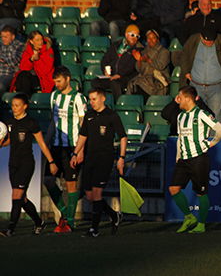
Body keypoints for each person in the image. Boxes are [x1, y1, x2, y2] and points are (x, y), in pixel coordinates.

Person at [169, 85, 221, 234]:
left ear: (187, 98)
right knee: (173, 189)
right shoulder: (180, 116)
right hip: (184, 159)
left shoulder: (201, 114)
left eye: (180, 97)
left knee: (201, 193)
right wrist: (178, 155)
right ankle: (189, 217)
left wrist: (209, 143)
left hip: (198, 158)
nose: (178, 101)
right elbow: (180, 138)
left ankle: (201, 224)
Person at [0, 93, 58, 237]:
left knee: (16, 195)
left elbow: (42, 144)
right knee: (22, 198)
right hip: (13, 163)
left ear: (25, 106)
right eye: (13, 105)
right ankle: (39, 222)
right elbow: (10, 141)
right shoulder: (9, 123)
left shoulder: (31, 123)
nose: (14, 108)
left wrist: (51, 161)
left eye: (17, 105)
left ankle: (10, 229)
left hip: (26, 163)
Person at [70, 89, 126, 237]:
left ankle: (94, 229)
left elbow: (123, 137)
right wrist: (76, 153)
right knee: (90, 195)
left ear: (103, 99)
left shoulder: (112, 116)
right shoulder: (89, 116)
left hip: (105, 159)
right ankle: (114, 215)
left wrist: (121, 157)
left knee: (96, 193)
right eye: (90, 99)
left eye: (94, 99)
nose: (91, 102)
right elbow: (83, 136)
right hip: (90, 158)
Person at [47, 66, 87, 233]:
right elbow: (52, 122)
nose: (56, 84)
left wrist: (80, 149)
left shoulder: (78, 98)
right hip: (55, 146)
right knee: (48, 181)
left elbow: (84, 125)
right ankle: (65, 214)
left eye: (59, 81)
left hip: (72, 146)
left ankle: (69, 223)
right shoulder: (54, 96)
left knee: (71, 184)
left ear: (68, 79)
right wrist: (47, 144)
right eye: (55, 81)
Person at [180, 27, 221, 122]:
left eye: (211, 41)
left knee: (215, 117)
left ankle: (214, 137)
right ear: (201, 37)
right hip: (196, 86)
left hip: (217, 86)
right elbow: (184, 55)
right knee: (196, 117)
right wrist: (186, 71)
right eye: (206, 41)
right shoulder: (193, 40)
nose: (209, 43)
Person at [91, 24, 143, 102]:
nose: (134, 38)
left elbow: (132, 66)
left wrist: (120, 75)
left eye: (137, 36)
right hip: (111, 76)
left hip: (125, 78)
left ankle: (118, 105)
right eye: (132, 35)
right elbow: (105, 59)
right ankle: (100, 104)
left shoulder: (138, 49)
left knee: (115, 84)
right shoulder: (115, 45)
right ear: (126, 34)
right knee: (95, 82)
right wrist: (105, 69)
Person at [127, 29, 170, 101]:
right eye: (149, 38)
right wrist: (139, 60)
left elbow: (160, 66)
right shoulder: (144, 51)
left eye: (153, 38)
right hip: (145, 78)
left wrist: (148, 60)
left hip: (158, 79)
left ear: (157, 39)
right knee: (133, 84)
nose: (151, 40)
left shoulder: (164, 52)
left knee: (140, 86)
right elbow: (139, 69)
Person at [10, 30, 54, 96]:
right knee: (22, 75)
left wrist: (37, 60)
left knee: (24, 78)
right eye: (37, 40)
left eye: (41, 39)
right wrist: (31, 60)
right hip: (29, 78)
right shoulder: (28, 50)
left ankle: (23, 99)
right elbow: (23, 67)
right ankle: (22, 99)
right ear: (31, 41)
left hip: (43, 79)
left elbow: (46, 70)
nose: (41, 42)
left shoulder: (48, 50)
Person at [0, 25, 24, 94]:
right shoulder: (0, 45)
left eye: (6, 37)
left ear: (12, 37)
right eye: (2, 37)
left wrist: (3, 58)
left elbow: (15, 61)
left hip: (9, 74)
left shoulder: (20, 46)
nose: (3, 39)